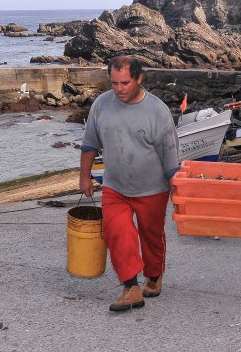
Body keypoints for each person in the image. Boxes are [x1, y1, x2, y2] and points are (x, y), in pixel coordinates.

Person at [79, 55, 179, 312]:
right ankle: (131, 287)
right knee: (117, 232)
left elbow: (170, 156)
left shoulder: (158, 111)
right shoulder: (101, 105)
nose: (119, 89)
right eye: (114, 83)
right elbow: (90, 143)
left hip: (153, 189)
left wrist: (178, 192)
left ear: (139, 78)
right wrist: (84, 176)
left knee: (151, 237)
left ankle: (154, 277)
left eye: (125, 83)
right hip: (115, 186)